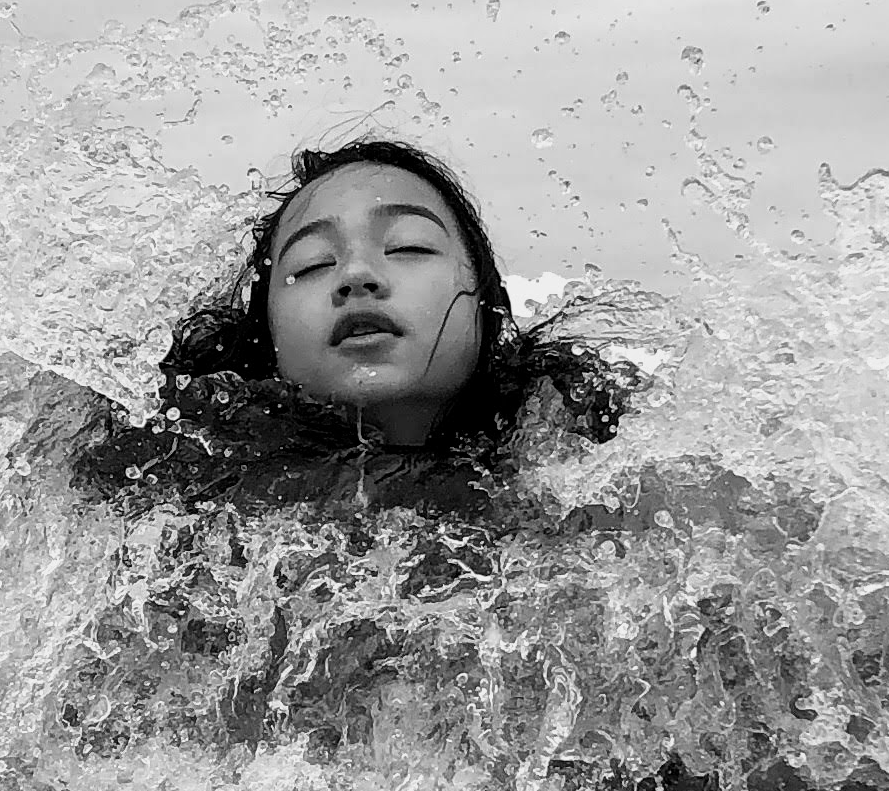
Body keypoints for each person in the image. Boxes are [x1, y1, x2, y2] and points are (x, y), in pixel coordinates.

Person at [72, 139, 634, 516]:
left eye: (409, 247)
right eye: (312, 265)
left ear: (489, 308)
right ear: (266, 339)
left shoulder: (591, 475)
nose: (357, 275)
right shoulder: (182, 482)